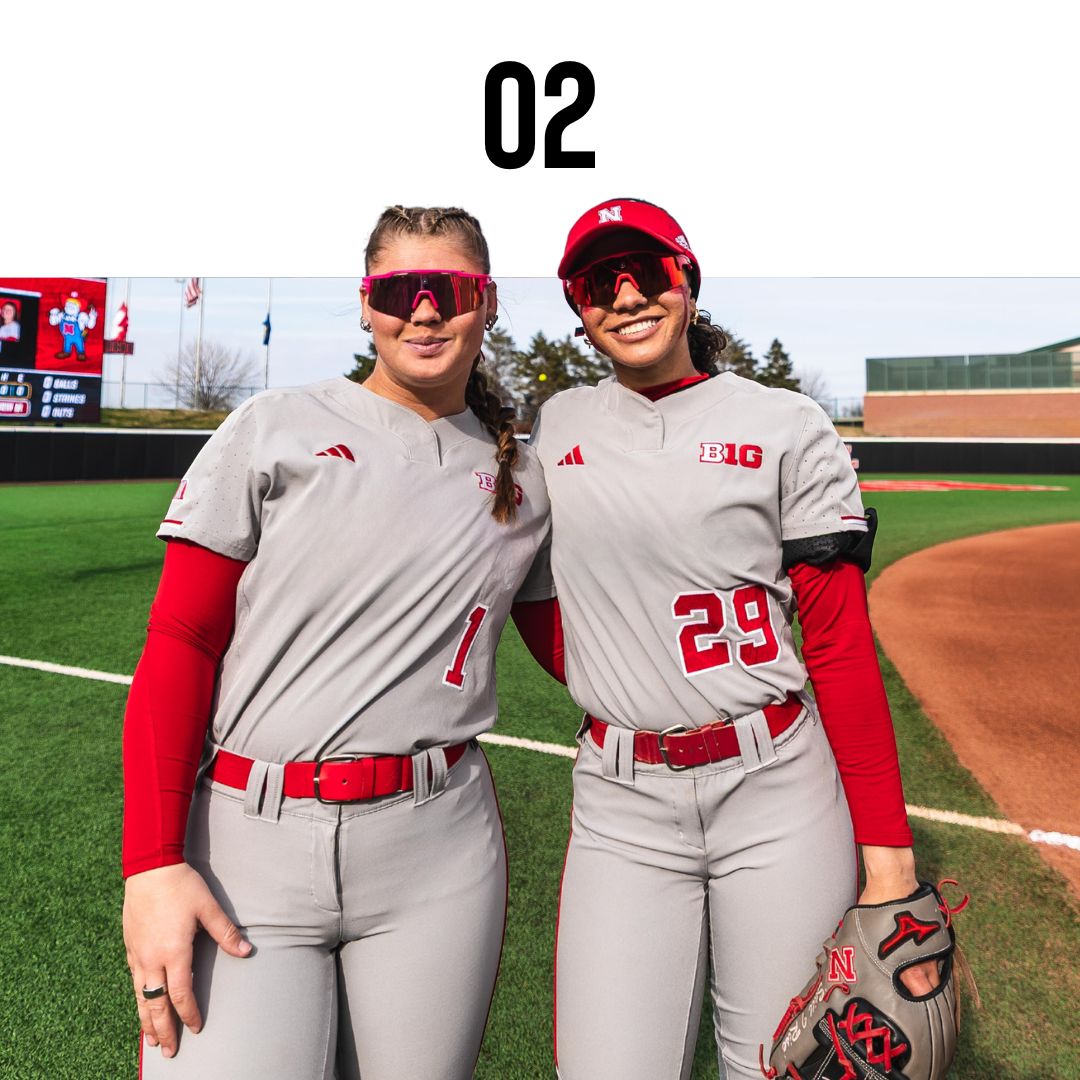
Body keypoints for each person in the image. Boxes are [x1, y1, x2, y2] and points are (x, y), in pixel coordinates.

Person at [122, 205, 553, 1079]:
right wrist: (152, 865)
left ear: (487, 301)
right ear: (366, 305)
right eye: (399, 289)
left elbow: (589, 649)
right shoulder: (274, 425)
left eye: (450, 289)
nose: (424, 310)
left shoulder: (524, 477)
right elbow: (180, 640)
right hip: (248, 842)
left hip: (439, 849)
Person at [512, 198, 938, 1079]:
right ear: (580, 309)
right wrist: (624, 677)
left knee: (776, 1066)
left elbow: (839, 646)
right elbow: (532, 598)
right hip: (623, 800)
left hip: (776, 787)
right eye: (599, 282)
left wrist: (892, 863)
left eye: (647, 271)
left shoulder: (785, 423)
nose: (626, 295)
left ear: (688, 283)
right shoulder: (556, 429)